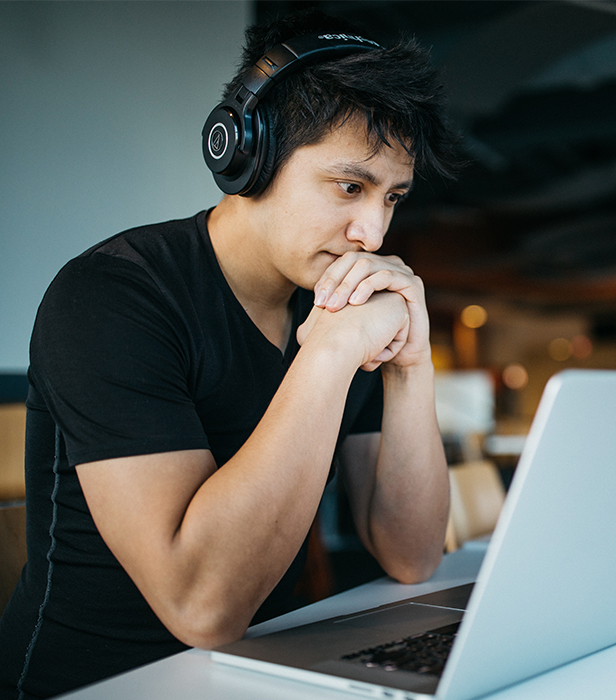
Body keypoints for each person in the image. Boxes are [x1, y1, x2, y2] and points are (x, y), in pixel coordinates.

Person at [0, 9, 461, 699]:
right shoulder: (110, 297)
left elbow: (412, 554)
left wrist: (410, 363)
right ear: (250, 155)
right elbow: (202, 607)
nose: (372, 231)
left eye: (393, 196)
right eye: (349, 186)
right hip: (99, 683)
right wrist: (330, 354)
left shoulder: (333, 298)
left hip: (261, 673)